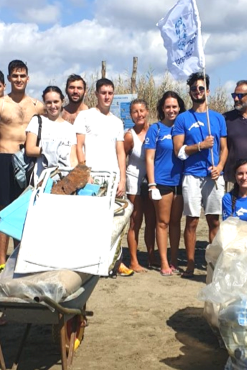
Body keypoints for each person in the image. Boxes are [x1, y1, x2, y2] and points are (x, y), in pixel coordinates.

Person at [0, 60, 44, 269]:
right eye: (15, 76)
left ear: (28, 78)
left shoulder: (38, 106)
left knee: (26, 210)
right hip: (6, 157)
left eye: (22, 76)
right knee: (4, 208)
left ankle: (21, 256)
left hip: (30, 160)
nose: (18, 79)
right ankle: (2, 260)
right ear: (9, 78)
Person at [172, 72, 228, 278]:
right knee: (192, 221)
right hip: (191, 176)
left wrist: (220, 166)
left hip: (213, 176)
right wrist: (200, 146)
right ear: (190, 92)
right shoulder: (183, 119)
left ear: (208, 91)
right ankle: (190, 262)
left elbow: (224, 148)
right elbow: (178, 150)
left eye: (201, 88)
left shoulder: (217, 118)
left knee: (214, 220)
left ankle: (213, 263)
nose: (198, 92)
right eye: (194, 89)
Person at [146, 92, 186, 277]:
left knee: (176, 223)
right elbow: (150, 157)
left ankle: (174, 259)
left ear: (180, 108)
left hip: (181, 181)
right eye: (168, 106)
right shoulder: (156, 129)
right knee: (162, 223)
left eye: (175, 106)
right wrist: (152, 184)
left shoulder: (184, 127)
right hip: (161, 182)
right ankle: (163, 261)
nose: (171, 110)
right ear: (162, 108)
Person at [119, 99, 156, 275]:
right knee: (136, 220)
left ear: (147, 111)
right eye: (135, 111)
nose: (139, 114)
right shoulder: (129, 135)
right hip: (134, 179)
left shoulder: (155, 131)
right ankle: (133, 260)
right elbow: (122, 158)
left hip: (152, 181)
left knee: (152, 220)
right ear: (130, 115)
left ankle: (151, 257)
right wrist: (122, 180)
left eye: (142, 110)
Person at [74, 78, 126, 197]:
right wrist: (85, 174)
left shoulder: (117, 122)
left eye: (110, 93)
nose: (107, 97)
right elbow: (79, 147)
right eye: (103, 93)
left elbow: (120, 153)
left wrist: (122, 179)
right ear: (96, 94)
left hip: (112, 178)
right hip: (92, 177)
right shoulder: (85, 116)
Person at [24, 86, 77, 182]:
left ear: (62, 101)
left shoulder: (70, 128)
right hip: (41, 181)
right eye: (49, 102)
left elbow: (73, 159)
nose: (53, 106)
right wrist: (53, 150)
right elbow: (29, 149)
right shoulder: (37, 121)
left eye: (56, 102)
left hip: (64, 182)